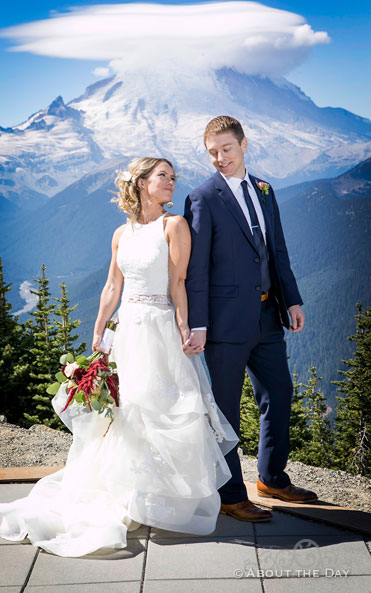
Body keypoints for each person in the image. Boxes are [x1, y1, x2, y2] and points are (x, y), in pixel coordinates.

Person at [0, 157, 238, 557]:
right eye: (162, 177)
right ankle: (131, 492)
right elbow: (110, 285)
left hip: (159, 327)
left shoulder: (174, 226)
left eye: (173, 177)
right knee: (125, 411)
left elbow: (177, 282)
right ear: (140, 184)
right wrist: (99, 328)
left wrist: (186, 327)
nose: (171, 183)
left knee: (163, 409)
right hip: (127, 329)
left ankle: (162, 500)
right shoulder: (121, 233)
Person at [183, 116, 317, 523]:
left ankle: (272, 478)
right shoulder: (202, 197)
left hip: (267, 315)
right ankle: (230, 494)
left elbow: (277, 250)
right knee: (224, 411)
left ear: (244, 145)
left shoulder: (264, 188)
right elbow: (196, 269)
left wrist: (291, 300)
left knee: (278, 394)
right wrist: (199, 324)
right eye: (212, 153)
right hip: (223, 325)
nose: (219, 159)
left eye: (226, 149)